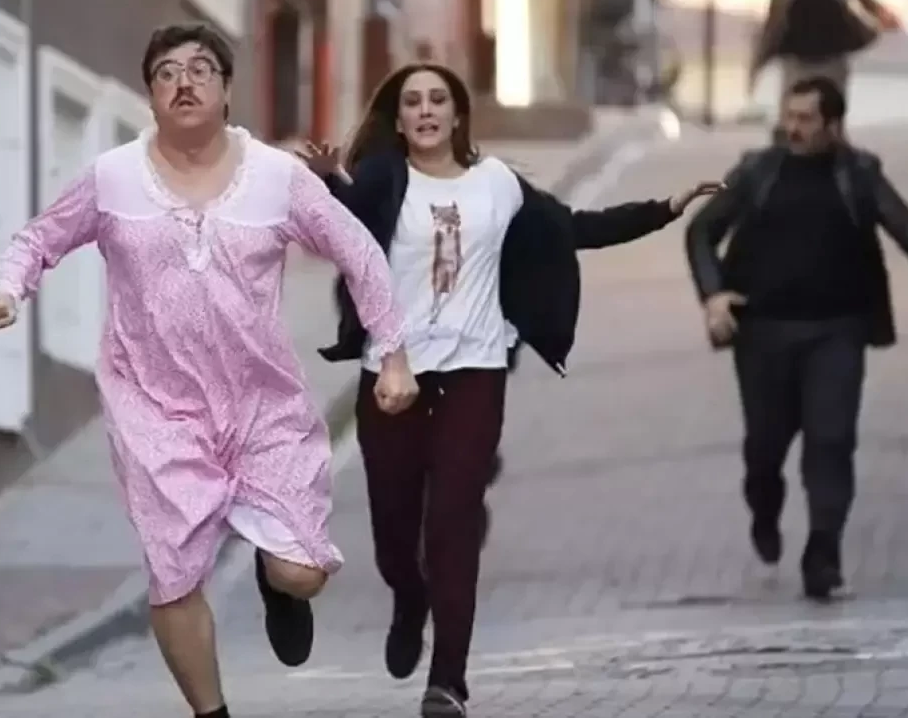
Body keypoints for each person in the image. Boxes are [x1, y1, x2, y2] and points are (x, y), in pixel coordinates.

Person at [0, 24, 418, 718]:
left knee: (301, 573)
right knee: (175, 574)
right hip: (155, 409)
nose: (184, 81)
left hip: (262, 406)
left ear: (227, 89)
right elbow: (39, 239)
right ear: (151, 95)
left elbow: (358, 252)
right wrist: (7, 287)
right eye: (167, 72)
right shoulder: (113, 177)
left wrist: (392, 354)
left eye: (201, 68)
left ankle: (276, 581)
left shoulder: (276, 177)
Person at [297, 62, 724, 718]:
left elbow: (572, 226)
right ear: (400, 118)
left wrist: (664, 209)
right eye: (413, 102)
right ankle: (409, 599)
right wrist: (330, 182)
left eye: (438, 99)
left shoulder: (497, 184)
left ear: (458, 114)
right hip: (393, 375)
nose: (426, 110)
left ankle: (449, 681)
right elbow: (344, 234)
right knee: (394, 538)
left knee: (453, 524)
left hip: (475, 373)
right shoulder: (383, 178)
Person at [686, 77, 908, 602]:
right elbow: (700, 232)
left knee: (831, 442)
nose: (793, 128)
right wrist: (713, 296)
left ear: (834, 125)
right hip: (762, 334)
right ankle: (764, 507)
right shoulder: (757, 172)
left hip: (837, 331)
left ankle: (823, 557)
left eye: (806, 119)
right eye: (789, 116)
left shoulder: (859, 173)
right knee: (764, 450)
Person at [749, 0, 901, 139]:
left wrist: (879, 12)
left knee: (830, 121)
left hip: (831, 53)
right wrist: (758, 63)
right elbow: (776, 17)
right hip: (798, 56)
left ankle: (830, 151)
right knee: (792, 122)